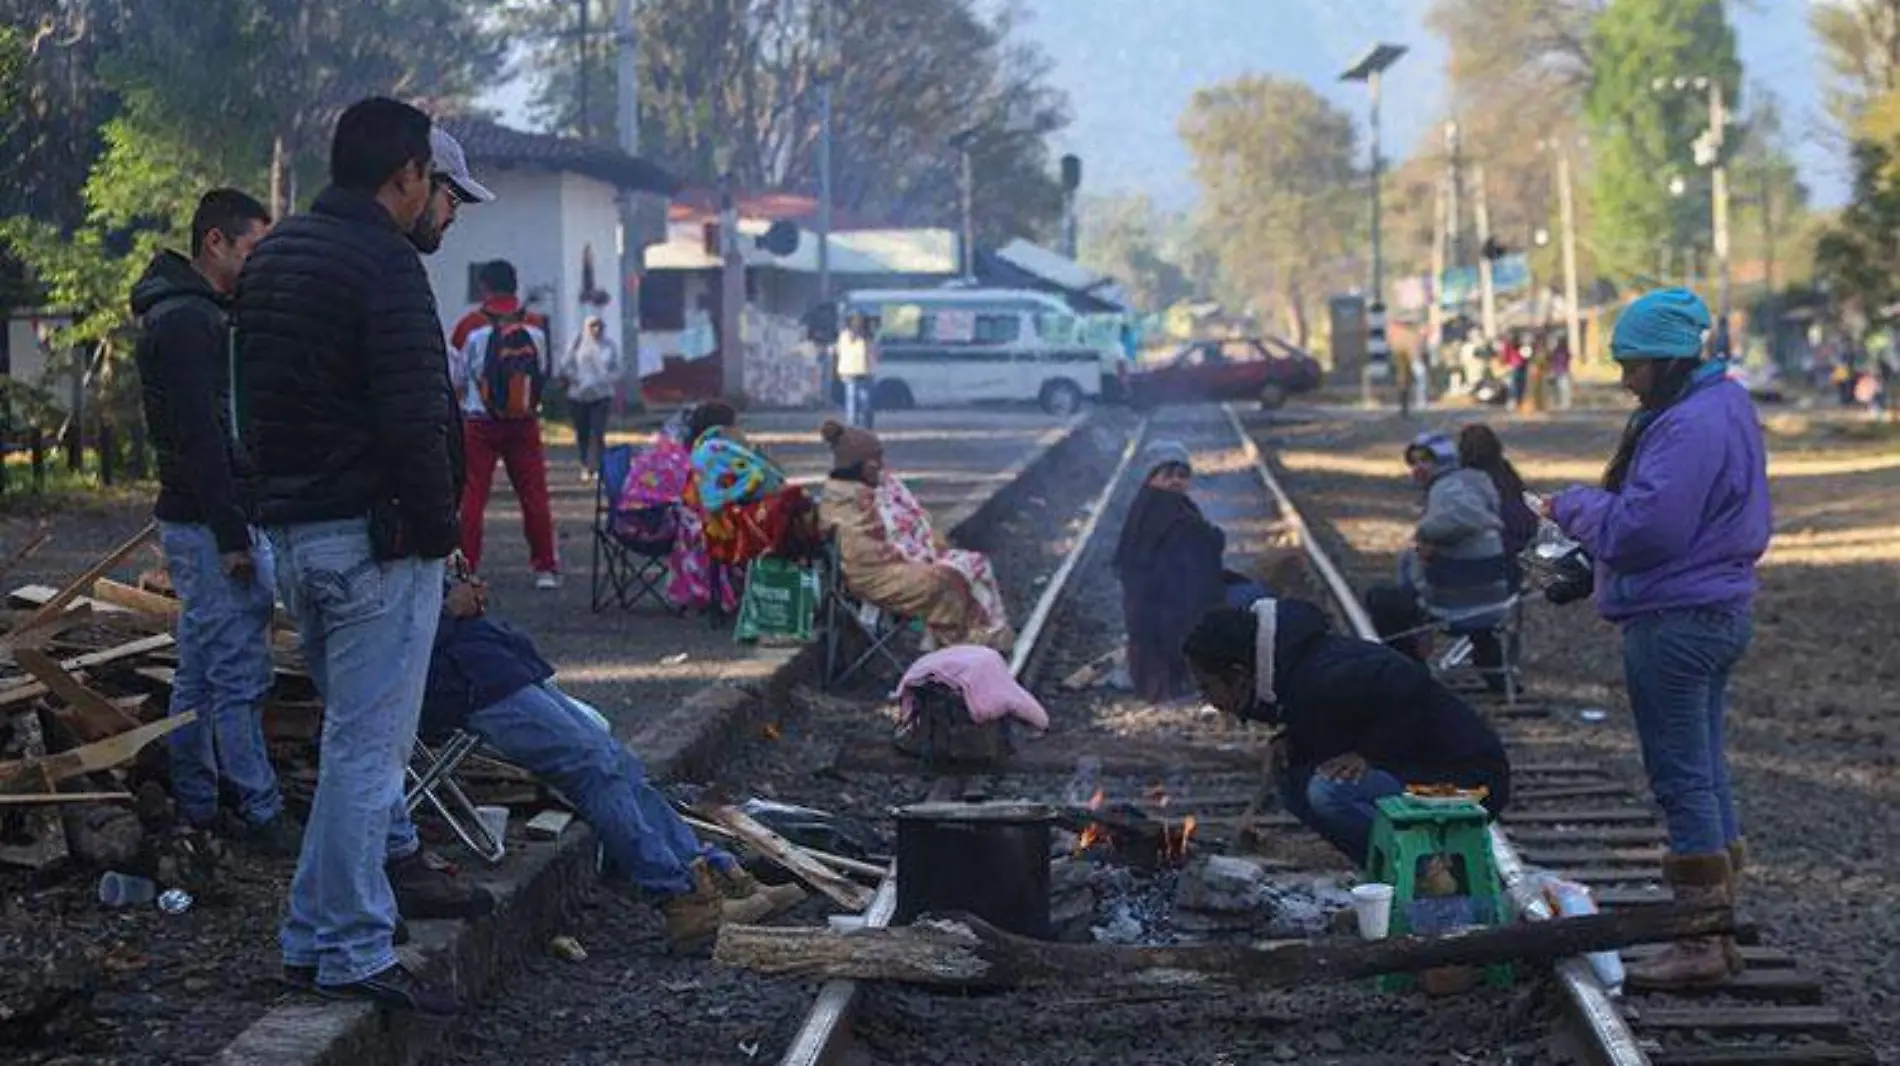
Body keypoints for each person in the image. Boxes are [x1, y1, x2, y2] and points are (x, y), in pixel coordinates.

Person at [236, 100, 489, 1015]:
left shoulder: (274, 258)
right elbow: (414, 412)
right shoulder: (383, 263)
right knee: (367, 754)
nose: (434, 203)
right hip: (376, 541)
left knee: (352, 744)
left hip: (297, 537)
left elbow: (249, 409)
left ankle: (311, 936)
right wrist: (438, 533)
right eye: (434, 184)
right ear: (408, 175)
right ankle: (348, 946)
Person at [1540, 287, 1770, 989]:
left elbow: (1647, 531)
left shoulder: (1687, 425)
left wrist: (1572, 506)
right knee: (1705, 771)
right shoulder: (1724, 402)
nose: (1624, 380)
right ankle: (1717, 930)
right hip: (1715, 608)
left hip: (1675, 619)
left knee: (1681, 779)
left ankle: (1699, 943)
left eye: (1633, 366)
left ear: (1669, 361)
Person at [413, 572, 803, 948]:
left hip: (486, 661)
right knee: (592, 765)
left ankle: (705, 873)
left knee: (615, 759)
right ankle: (682, 900)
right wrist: (448, 608)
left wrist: (458, 598)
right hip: (459, 680)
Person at [131, 188, 295, 854]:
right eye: (252, 247)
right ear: (216, 243)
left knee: (200, 669)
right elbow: (202, 434)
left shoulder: (198, 314)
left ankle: (197, 801)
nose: (259, 261)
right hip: (207, 522)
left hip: (201, 518)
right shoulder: (187, 322)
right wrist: (233, 534)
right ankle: (259, 811)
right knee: (236, 675)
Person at [1183, 598, 1511, 866]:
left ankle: (1424, 872)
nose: (1207, 699)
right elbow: (1336, 719)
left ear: (1239, 675)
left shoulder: (1320, 674)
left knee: (1331, 793)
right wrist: (1292, 742)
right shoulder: (1291, 671)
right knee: (1295, 780)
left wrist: (1370, 753)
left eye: (1207, 687)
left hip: (1468, 781)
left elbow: (1409, 685)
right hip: (1419, 768)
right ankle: (1384, 870)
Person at [817, 420, 1013, 650]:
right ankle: (961, 650)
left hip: (895, 566)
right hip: (875, 577)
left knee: (971, 564)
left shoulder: (870, 489)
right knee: (946, 582)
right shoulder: (844, 504)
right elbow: (868, 556)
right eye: (876, 461)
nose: (881, 467)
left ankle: (978, 642)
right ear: (863, 466)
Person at [451, 259, 561, 588]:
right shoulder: (537, 324)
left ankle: (466, 568)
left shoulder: (469, 325)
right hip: (524, 420)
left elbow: (457, 376)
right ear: (515, 285)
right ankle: (545, 568)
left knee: (472, 496)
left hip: (480, 422)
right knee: (534, 494)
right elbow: (544, 372)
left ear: (484, 287)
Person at [1112, 441, 1228, 702]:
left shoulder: (1150, 508)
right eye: (1168, 475)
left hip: (1158, 615)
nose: (1176, 482)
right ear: (1151, 477)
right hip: (1168, 617)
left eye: (1182, 475)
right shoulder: (1171, 514)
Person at [561, 315, 620, 479]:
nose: (596, 329)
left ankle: (599, 466)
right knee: (583, 432)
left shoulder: (609, 346)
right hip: (578, 395)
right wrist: (576, 379)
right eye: (592, 326)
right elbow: (566, 365)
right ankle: (585, 465)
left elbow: (616, 368)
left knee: (598, 431)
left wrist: (606, 378)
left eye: (599, 326)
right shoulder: (577, 343)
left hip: (601, 395)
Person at [835, 312, 878, 428]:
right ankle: (859, 423)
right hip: (859, 372)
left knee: (854, 400)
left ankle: (855, 424)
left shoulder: (845, 336)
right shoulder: (866, 337)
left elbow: (838, 352)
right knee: (860, 400)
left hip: (853, 371)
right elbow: (873, 353)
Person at [1549, 331, 1574, 411]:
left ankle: (1565, 403)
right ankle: (1560, 403)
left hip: (1562, 371)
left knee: (1564, 388)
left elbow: (1568, 358)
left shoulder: (1563, 350)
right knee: (1559, 388)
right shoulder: (1556, 351)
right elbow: (1552, 360)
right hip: (1558, 371)